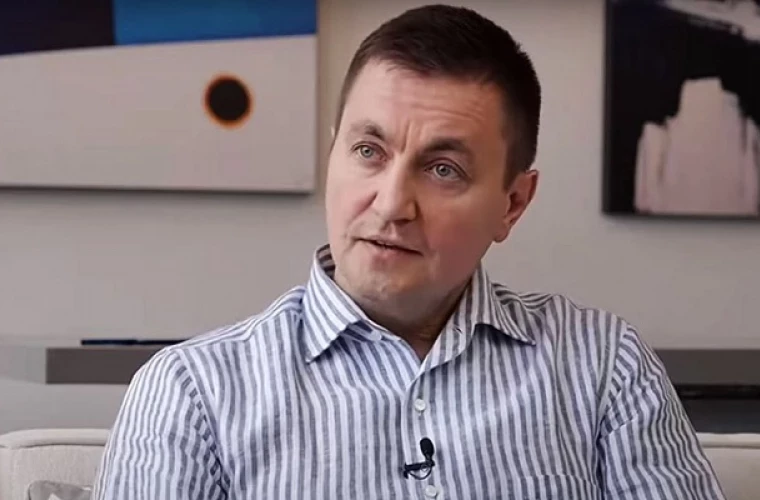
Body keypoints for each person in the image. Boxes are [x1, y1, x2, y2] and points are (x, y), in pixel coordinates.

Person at [92, 4, 725, 499]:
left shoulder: (605, 368)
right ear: (334, 154)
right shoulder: (191, 394)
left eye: (443, 169)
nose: (392, 203)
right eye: (368, 151)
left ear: (512, 204)